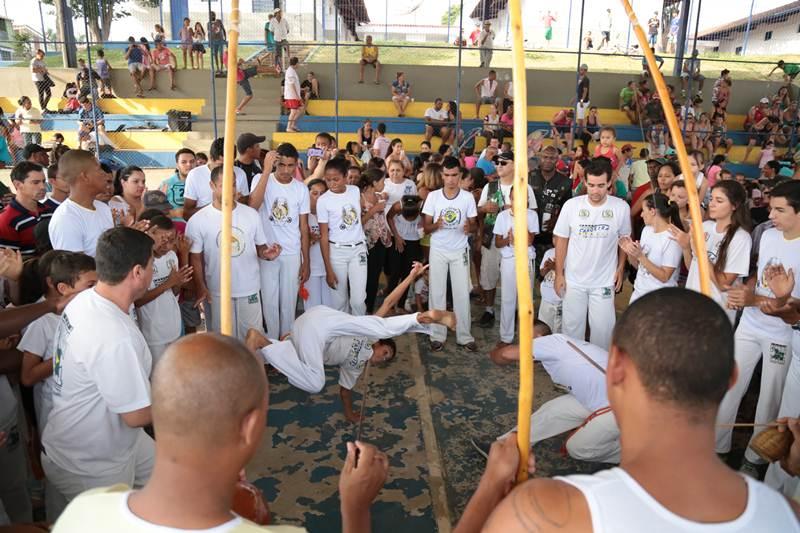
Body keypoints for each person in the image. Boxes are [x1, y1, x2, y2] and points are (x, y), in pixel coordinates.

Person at [459, 288, 800, 532]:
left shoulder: (543, 509)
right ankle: (509, 440)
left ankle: (503, 457)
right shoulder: (789, 515)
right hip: (592, 398)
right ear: (731, 378)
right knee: (553, 412)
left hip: (604, 406)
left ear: (617, 366)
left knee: (579, 445)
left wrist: (491, 486)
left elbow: (501, 356)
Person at [247, 262, 454, 420]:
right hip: (324, 321)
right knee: (373, 325)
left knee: (303, 371)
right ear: (379, 344)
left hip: (308, 333)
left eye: (386, 360)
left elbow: (345, 392)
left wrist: (350, 414)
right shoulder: (371, 336)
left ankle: (263, 342)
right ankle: (420, 317)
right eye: (385, 354)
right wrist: (411, 277)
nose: (383, 359)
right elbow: (390, 301)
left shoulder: (355, 367)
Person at [40, 227, 156, 504]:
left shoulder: (86, 300)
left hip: (104, 435)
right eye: (153, 264)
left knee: (167, 479)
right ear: (137, 272)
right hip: (93, 460)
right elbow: (137, 416)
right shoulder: (114, 335)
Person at [715, 180, 800, 478]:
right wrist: (745, 290)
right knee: (730, 384)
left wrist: (755, 298)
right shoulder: (768, 235)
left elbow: (796, 307)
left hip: (782, 334)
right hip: (751, 323)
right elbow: (757, 275)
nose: (771, 215)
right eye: (771, 207)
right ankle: (717, 446)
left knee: (770, 398)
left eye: (780, 210)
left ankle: (756, 457)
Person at [474, 325, 620, 464]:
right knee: (553, 410)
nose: (521, 341)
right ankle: (507, 449)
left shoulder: (550, 342)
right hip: (606, 399)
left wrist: (494, 352)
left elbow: (505, 354)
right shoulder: (560, 347)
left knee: (578, 449)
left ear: (538, 336)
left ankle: (636, 455)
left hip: (624, 407)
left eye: (524, 335)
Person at [187, 165, 280, 340]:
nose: (230, 190)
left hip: (249, 289)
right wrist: (201, 287)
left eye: (234, 184)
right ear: (212, 186)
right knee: (222, 343)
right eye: (224, 185)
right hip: (217, 291)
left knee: (252, 338)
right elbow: (196, 258)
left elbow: (260, 247)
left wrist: (267, 254)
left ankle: (252, 368)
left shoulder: (251, 215)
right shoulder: (198, 220)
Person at [554, 159, 631, 350]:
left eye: (601, 186)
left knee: (603, 332)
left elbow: (624, 240)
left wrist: (621, 268)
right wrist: (559, 274)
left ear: (609, 184)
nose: (595, 191)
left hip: (604, 282)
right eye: (591, 185)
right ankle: (571, 374)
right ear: (585, 182)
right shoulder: (571, 206)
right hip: (574, 281)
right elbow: (561, 240)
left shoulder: (621, 207)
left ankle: (599, 375)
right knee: (572, 331)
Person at [249, 143, 310, 339]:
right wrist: (267, 171)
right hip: (267, 253)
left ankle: (286, 343)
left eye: (290, 165)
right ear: (275, 163)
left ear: (296, 165)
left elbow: (303, 228)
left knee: (288, 303)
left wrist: (305, 261)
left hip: (292, 253)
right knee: (269, 302)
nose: (285, 170)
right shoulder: (261, 179)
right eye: (281, 165)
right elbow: (253, 206)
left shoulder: (301, 189)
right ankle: (272, 344)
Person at [670, 181, 751, 323]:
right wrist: (685, 247)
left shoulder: (741, 238)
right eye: (711, 199)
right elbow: (692, 268)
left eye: (719, 200)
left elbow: (723, 284)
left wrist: (699, 251)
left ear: (734, 205)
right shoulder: (705, 226)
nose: (712, 204)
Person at [422, 156, 478, 352]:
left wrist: (468, 227)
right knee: (437, 292)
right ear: (442, 175)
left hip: (459, 250)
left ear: (460, 175)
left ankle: (464, 336)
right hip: (438, 249)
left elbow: (475, 225)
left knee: (462, 293)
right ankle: (437, 334)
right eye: (447, 175)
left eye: (454, 175)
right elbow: (426, 227)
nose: (451, 179)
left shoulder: (467, 197)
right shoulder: (433, 197)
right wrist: (435, 225)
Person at [477, 151, 537, 327]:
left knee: (518, 277)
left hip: (517, 240)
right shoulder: (490, 187)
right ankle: (489, 309)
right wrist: (484, 209)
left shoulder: (524, 187)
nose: (499, 166)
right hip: (493, 237)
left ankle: (518, 310)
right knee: (489, 273)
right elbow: (479, 211)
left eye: (504, 163)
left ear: (514, 165)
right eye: (497, 163)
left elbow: (532, 213)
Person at [135, 215, 192, 363]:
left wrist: (176, 282)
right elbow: (137, 301)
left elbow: (175, 293)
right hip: (152, 333)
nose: (166, 245)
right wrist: (169, 282)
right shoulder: (140, 262)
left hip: (173, 327)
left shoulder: (171, 256)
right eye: (162, 239)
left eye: (171, 240)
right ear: (149, 234)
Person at [317, 158, 368, 316]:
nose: (332, 183)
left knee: (358, 300)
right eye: (328, 179)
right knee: (339, 302)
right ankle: (342, 338)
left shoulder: (354, 191)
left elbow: (358, 218)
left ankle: (360, 336)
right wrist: (328, 269)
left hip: (358, 249)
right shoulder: (323, 201)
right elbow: (324, 237)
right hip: (336, 252)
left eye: (336, 179)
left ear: (346, 176)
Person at [492, 187, 538, 347]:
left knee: (525, 300)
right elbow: (498, 243)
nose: (516, 202)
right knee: (508, 298)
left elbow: (530, 240)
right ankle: (506, 337)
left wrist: (520, 231)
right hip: (509, 260)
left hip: (526, 259)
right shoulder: (502, 216)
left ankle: (526, 337)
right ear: (509, 199)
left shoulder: (531, 215)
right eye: (513, 198)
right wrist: (508, 240)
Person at [48, 150, 114, 256]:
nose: (105, 176)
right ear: (85, 177)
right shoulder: (66, 218)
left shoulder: (103, 208)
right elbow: (76, 270)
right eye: (99, 170)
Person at [620, 193, 683, 303]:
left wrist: (640, 256)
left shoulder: (673, 238)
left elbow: (664, 277)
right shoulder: (646, 230)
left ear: (653, 211)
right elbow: (639, 266)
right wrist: (631, 252)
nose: (641, 215)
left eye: (643, 210)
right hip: (639, 292)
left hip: (659, 299)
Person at [183, 137, 249, 220]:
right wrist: (216, 205)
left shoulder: (240, 173)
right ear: (211, 158)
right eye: (220, 165)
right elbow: (187, 214)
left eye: (230, 165)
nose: (225, 169)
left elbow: (246, 203)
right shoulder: (195, 175)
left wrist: (238, 202)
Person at [0, 162, 48, 256]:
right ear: (18, 184)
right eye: (36, 182)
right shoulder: (7, 220)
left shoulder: (49, 211)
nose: (43, 187)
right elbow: (8, 263)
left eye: (43, 181)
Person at [305, 178, 331, 309]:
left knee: (330, 309)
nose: (319, 198)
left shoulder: (331, 214)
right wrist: (307, 239)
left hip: (329, 269)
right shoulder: (303, 216)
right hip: (311, 270)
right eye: (314, 193)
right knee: (312, 309)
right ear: (307, 194)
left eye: (322, 194)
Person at [159, 148, 196, 215]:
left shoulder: (203, 182)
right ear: (177, 165)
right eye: (184, 162)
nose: (189, 165)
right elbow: (158, 211)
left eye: (192, 161)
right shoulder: (166, 184)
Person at [284, 57, 304, 132]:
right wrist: (297, 96)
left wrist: (301, 90)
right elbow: (291, 85)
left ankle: (292, 124)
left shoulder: (292, 71)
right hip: (292, 95)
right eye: (298, 63)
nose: (299, 64)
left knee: (301, 109)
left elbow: (295, 85)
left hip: (294, 95)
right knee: (293, 111)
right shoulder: (290, 71)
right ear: (296, 63)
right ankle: (288, 127)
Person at [574, 64, 590, 130]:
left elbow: (585, 91)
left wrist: (581, 101)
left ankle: (579, 132)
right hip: (580, 100)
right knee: (580, 118)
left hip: (583, 101)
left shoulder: (585, 79)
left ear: (585, 71)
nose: (580, 71)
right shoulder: (579, 78)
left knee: (580, 119)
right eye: (580, 69)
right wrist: (575, 98)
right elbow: (579, 91)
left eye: (581, 70)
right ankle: (580, 131)